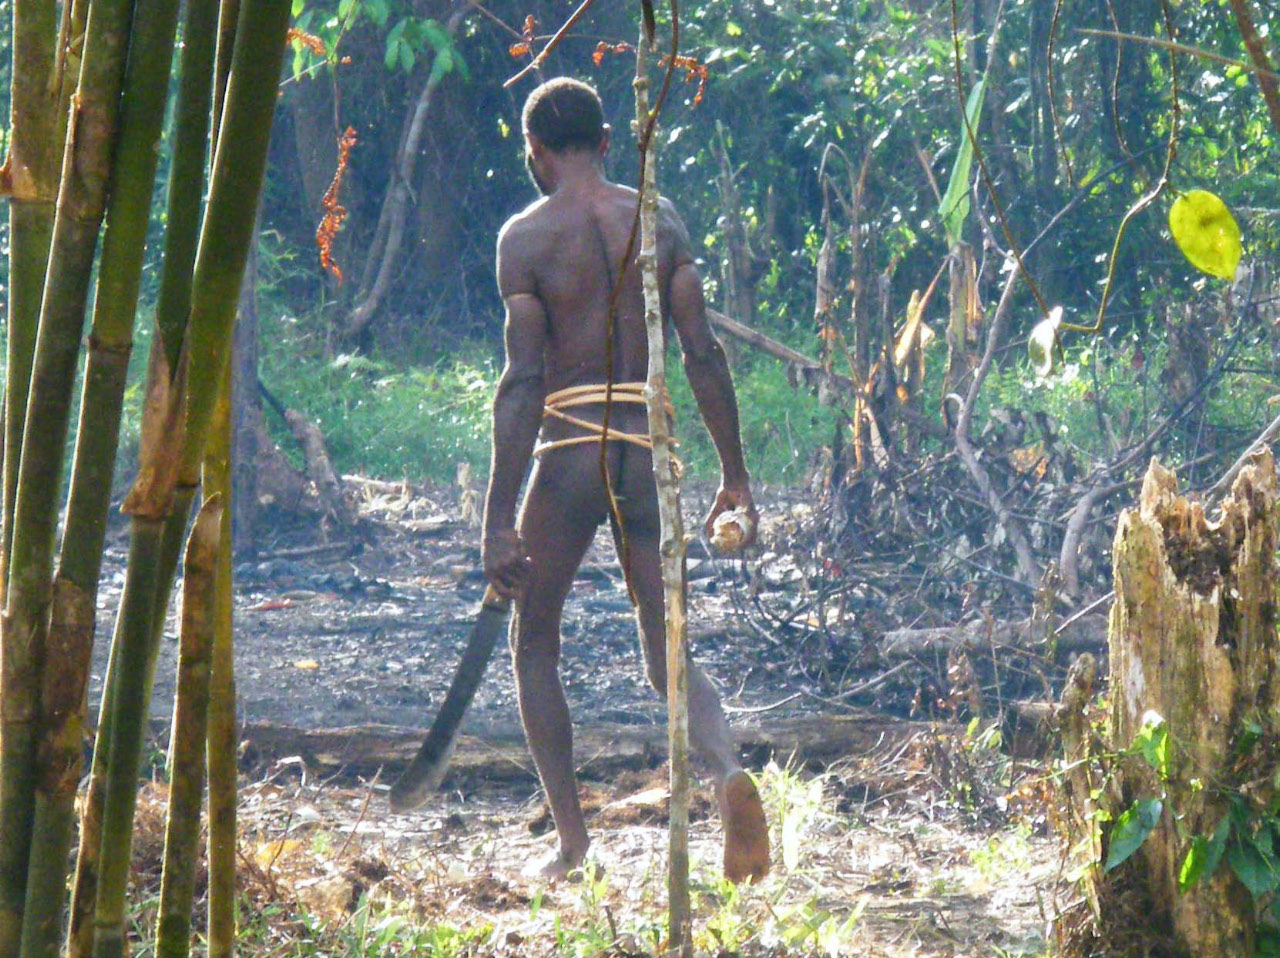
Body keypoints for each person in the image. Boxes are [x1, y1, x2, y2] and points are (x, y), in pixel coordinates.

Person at [482, 76, 769, 884]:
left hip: (570, 453)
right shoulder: (659, 219)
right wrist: (735, 475)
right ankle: (725, 773)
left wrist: (498, 519)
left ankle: (575, 845)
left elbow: (522, 384)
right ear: (608, 142)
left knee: (534, 638)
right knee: (664, 639)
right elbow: (701, 351)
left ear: (535, 153)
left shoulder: (524, 241)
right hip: (645, 453)